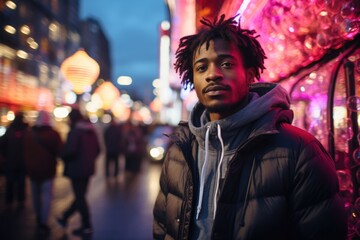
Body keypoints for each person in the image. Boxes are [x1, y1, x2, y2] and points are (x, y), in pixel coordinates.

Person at [153, 14, 347, 240]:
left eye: (226, 64)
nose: (213, 75)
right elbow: (162, 229)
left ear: (250, 73)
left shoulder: (301, 151)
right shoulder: (179, 153)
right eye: (201, 67)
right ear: (192, 80)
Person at [57, 108, 100, 236]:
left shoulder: (75, 132)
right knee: (80, 196)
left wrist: (62, 155)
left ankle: (86, 225)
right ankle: (65, 217)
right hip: (88, 168)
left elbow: (70, 151)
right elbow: (98, 149)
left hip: (76, 169)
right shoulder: (91, 131)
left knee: (80, 197)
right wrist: (89, 159)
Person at [23, 110, 63, 234]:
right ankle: (43, 221)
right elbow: (60, 150)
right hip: (47, 169)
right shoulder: (54, 134)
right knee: (46, 195)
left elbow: (24, 151)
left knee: (35, 195)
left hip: (33, 170)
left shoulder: (29, 134)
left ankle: (38, 216)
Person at [0, 111, 28, 207]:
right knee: (21, 183)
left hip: (10, 162)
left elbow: (2, 144)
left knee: (10, 183)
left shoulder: (10, 130)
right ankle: (20, 200)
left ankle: (9, 201)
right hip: (22, 162)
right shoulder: (26, 131)